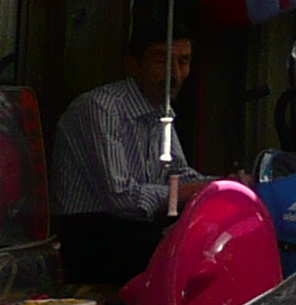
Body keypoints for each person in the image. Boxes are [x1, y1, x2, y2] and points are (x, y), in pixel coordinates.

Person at [53, 32, 197, 287]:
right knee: (187, 259)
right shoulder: (102, 108)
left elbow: (179, 173)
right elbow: (121, 197)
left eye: (183, 62)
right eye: (161, 60)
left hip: (138, 231)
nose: (174, 74)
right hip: (94, 237)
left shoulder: (160, 112)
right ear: (132, 64)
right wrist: (191, 191)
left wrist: (231, 184)